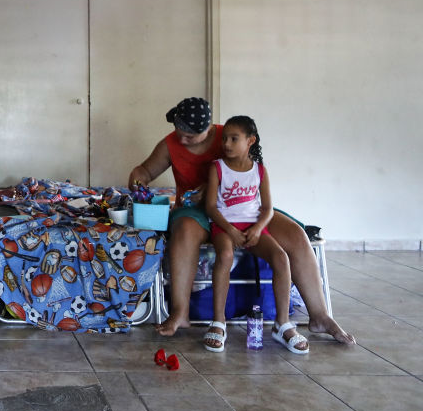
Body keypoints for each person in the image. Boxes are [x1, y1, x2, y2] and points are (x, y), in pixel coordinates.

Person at [128, 97, 354, 345]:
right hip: (196, 210)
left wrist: (250, 218)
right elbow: (145, 172)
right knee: (182, 232)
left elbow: (250, 175)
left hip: (244, 208)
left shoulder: (231, 136)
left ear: (210, 129)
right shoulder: (171, 144)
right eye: (179, 132)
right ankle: (180, 313)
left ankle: (319, 316)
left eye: (191, 136)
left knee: (296, 234)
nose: (183, 140)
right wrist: (137, 180)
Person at [202, 115, 308, 353]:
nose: (226, 144)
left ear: (251, 140)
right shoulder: (217, 168)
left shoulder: (259, 170)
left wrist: (258, 228)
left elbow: (268, 208)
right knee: (226, 255)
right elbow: (210, 207)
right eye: (225, 139)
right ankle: (218, 322)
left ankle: (282, 324)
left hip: (252, 226)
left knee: (281, 257)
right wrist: (230, 230)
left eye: (234, 139)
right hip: (224, 226)